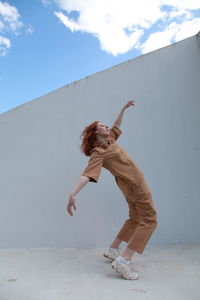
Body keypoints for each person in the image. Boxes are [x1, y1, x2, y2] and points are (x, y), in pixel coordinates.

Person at [67, 100, 157, 280]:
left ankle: (113, 249)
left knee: (135, 218)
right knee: (149, 219)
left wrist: (123, 109)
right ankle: (124, 260)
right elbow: (87, 174)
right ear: (94, 133)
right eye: (102, 125)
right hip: (135, 185)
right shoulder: (98, 152)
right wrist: (72, 193)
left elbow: (116, 125)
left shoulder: (110, 139)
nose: (107, 126)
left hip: (130, 186)